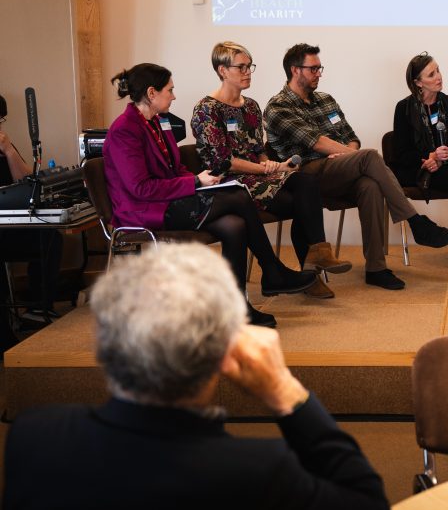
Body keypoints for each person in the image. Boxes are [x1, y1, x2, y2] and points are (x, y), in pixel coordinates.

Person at [3, 243, 390, 508]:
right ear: (226, 351)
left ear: (104, 341)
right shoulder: (259, 472)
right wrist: (284, 390)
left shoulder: (32, 436)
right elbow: (366, 501)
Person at [103, 64, 317, 328]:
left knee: (235, 225)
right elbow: (141, 189)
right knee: (238, 195)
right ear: (151, 93)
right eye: (170, 90)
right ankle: (272, 270)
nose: (174, 96)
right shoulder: (125, 129)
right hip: (143, 210)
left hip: (168, 200)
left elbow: (174, 168)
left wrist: (201, 180)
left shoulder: (159, 122)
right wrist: (194, 182)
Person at [264, 43, 448, 292]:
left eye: (320, 68)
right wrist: (347, 154)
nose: (318, 74)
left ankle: (376, 268)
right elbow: (317, 142)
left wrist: (346, 155)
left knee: (370, 184)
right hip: (305, 176)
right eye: (313, 69)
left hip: (337, 168)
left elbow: (351, 136)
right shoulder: (278, 106)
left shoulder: (325, 100)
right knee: (370, 157)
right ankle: (416, 222)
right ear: (295, 70)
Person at [191, 41, 353, 301]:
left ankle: (315, 261)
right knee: (301, 201)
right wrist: (265, 168)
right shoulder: (207, 109)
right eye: (241, 67)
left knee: (306, 184)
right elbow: (224, 161)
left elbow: (259, 150)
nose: (248, 72)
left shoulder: (251, 106)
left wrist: (272, 163)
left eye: (249, 66)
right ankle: (306, 274)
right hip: (231, 182)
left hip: (259, 174)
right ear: (222, 71)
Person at [389, 52, 448, 272]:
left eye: (438, 70)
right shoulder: (403, 108)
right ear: (418, 82)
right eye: (432, 74)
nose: (439, 76)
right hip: (414, 171)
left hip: (443, 169)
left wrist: (439, 162)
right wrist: (428, 159)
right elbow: (400, 153)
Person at [0, 94, 63, 322]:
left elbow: (27, 181)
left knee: (50, 238)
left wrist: (9, 151)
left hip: (10, 221)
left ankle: (38, 306)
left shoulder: (4, 144)